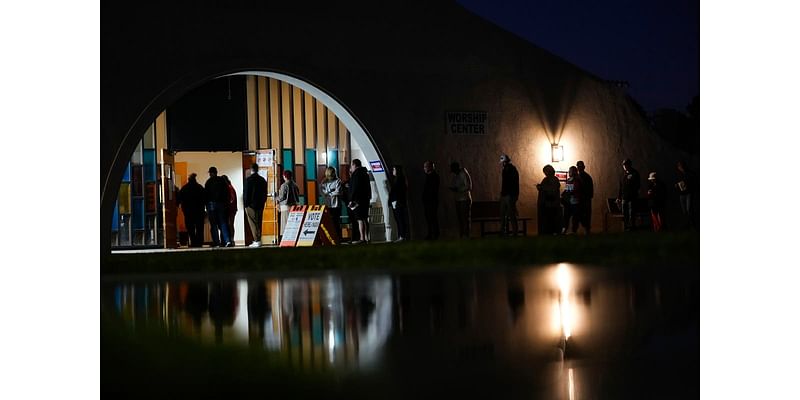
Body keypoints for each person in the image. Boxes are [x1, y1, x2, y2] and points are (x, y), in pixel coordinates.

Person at [204, 166, 233, 247]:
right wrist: (226, 203)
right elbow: (227, 193)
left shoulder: (208, 182)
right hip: (221, 205)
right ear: (216, 172)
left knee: (214, 225)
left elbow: (206, 195)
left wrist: (206, 206)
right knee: (223, 223)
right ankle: (227, 240)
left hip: (211, 205)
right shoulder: (222, 181)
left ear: (210, 173)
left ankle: (217, 242)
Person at [177, 173, 206, 247]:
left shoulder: (184, 188)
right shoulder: (200, 187)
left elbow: (179, 199)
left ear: (188, 180)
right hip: (199, 211)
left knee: (190, 228)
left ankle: (193, 242)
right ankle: (199, 242)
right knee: (199, 227)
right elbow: (205, 199)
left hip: (188, 211)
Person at [244, 163, 268, 248]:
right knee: (259, 221)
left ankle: (256, 240)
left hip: (251, 205)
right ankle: (258, 239)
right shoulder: (262, 180)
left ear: (251, 170)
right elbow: (265, 193)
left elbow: (246, 193)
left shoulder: (248, 180)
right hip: (260, 204)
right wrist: (263, 202)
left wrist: (246, 204)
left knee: (253, 223)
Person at [348, 159, 372, 244]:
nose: (351, 167)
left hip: (358, 200)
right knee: (365, 218)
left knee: (360, 219)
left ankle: (362, 238)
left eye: (351, 165)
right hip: (365, 199)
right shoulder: (364, 173)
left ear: (354, 165)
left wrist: (351, 199)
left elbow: (355, 187)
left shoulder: (356, 174)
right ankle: (367, 237)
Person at [449, 161, 473, 238]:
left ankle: (466, 236)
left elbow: (469, 186)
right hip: (458, 199)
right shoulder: (456, 175)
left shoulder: (463, 173)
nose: (453, 172)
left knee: (465, 218)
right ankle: (462, 235)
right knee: (460, 219)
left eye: (453, 170)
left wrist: (458, 189)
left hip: (465, 199)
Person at [320, 166, 344, 242]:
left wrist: (329, 193)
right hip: (327, 205)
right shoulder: (324, 182)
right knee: (328, 223)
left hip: (336, 205)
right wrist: (331, 192)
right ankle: (329, 239)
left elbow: (339, 192)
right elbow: (322, 192)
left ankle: (338, 238)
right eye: (331, 173)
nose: (333, 175)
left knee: (336, 222)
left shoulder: (337, 181)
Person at [616, 158, 641, 231]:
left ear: (630, 165)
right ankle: (626, 227)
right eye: (624, 165)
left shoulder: (635, 173)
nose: (625, 166)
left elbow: (637, 185)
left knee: (631, 213)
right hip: (624, 198)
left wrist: (632, 193)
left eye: (626, 164)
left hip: (632, 198)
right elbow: (621, 187)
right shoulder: (622, 175)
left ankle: (632, 227)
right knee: (625, 213)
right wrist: (619, 197)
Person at [536, 164, 561, 235]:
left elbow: (552, 190)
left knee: (551, 220)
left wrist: (542, 188)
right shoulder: (545, 179)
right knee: (546, 221)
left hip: (551, 204)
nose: (545, 173)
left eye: (546, 171)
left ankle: (551, 232)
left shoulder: (554, 179)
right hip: (545, 204)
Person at [388, 165, 410, 242]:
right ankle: (401, 235)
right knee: (399, 219)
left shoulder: (400, 180)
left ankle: (402, 236)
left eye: (394, 169)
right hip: (397, 202)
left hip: (398, 202)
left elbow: (398, 191)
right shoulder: (398, 179)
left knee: (400, 219)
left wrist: (395, 200)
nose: (393, 171)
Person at [499, 154, 519, 236]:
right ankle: (506, 231)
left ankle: (514, 232)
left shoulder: (511, 169)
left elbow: (512, 183)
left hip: (509, 194)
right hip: (506, 194)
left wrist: (511, 195)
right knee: (505, 213)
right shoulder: (508, 169)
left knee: (510, 214)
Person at [276, 170, 300, 238]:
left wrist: (275, 197)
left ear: (284, 176)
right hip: (295, 207)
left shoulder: (284, 185)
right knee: (293, 226)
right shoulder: (295, 185)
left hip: (286, 207)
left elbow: (281, 197)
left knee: (286, 226)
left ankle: (287, 240)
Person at [674, 160, 696, 230]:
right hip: (682, 195)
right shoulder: (679, 175)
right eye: (679, 166)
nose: (681, 168)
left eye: (682, 166)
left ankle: (693, 224)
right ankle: (688, 225)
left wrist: (688, 185)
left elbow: (693, 182)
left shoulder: (690, 174)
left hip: (688, 193)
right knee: (684, 211)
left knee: (689, 209)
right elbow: (677, 183)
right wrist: (677, 185)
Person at [561, 166, 583, 234]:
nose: (569, 172)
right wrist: (564, 194)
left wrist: (569, 192)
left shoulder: (577, 180)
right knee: (566, 217)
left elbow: (575, 190)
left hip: (575, 201)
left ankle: (574, 230)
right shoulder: (569, 180)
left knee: (575, 217)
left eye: (570, 171)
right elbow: (567, 189)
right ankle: (565, 229)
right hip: (568, 202)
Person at [422, 160, 440, 240]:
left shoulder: (433, 176)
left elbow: (432, 190)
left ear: (430, 167)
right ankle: (432, 233)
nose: (424, 168)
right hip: (429, 201)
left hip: (431, 201)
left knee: (432, 217)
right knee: (430, 218)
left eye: (425, 167)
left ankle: (434, 234)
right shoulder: (430, 176)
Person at [576, 160, 594, 234]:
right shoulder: (578, 176)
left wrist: (587, 196)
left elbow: (589, 189)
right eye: (578, 166)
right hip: (581, 199)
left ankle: (587, 229)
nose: (579, 168)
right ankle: (586, 228)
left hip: (585, 199)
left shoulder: (586, 177)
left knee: (585, 214)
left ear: (583, 167)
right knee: (581, 215)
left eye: (580, 166)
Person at [222, 174, 237, 246]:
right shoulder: (231, 187)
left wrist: (226, 204)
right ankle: (231, 239)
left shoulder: (229, 188)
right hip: (233, 209)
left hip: (230, 209)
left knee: (230, 224)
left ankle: (231, 239)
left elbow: (232, 199)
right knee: (230, 225)